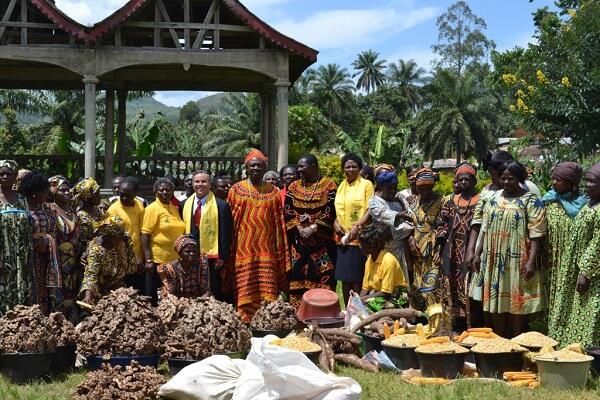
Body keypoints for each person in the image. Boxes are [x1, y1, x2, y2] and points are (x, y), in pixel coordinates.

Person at [473, 161, 545, 338]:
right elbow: (484, 226)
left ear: (519, 179)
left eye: (510, 179)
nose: (506, 182)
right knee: (495, 300)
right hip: (493, 257)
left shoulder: (531, 200)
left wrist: (531, 261)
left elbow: (537, 233)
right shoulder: (492, 197)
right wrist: (477, 253)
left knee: (516, 301)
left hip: (518, 258)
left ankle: (517, 341)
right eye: (503, 178)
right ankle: (500, 340)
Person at [227, 150, 289, 322]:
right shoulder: (236, 190)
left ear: (265, 168)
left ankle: (268, 319)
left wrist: (278, 248)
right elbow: (231, 220)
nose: (255, 168)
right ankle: (245, 319)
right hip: (243, 248)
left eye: (259, 165)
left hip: (267, 249)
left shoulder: (273, 192)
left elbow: (278, 222)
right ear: (246, 168)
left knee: (267, 285)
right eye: (252, 165)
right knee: (245, 283)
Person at [551, 163, 599, 347]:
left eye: (593, 182)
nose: (587, 185)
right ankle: (567, 350)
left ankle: (589, 357)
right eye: (587, 180)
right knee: (571, 310)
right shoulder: (590, 203)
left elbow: (597, 244)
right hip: (574, 266)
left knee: (587, 312)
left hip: (590, 274)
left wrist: (585, 272)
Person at [284, 154, 337, 308]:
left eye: (302, 166)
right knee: (298, 277)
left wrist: (313, 228)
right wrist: (299, 228)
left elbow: (330, 211)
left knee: (323, 277)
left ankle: (322, 313)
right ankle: (298, 316)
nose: (298, 169)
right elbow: (287, 211)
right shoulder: (294, 186)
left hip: (322, 244)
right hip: (299, 243)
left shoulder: (329, 185)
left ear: (313, 166)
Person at [544, 162, 587, 343]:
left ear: (571, 183)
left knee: (570, 299)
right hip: (551, 260)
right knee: (551, 299)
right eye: (553, 178)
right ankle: (550, 338)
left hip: (572, 262)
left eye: (558, 180)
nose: (553, 183)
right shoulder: (548, 201)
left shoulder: (584, 205)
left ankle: (569, 339)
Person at [436, 162, 480, 330]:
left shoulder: (480, 200)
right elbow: (442, 221)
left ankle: (473, 324)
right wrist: (440, 240)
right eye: (460, 180)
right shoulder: (451, 200)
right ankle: (456, 323)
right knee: (452, 283)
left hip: (471, 247)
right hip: (451, 250)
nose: (463, 183)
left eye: (467, 179)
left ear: (474, 181)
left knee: (470, 284)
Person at [181, 171, 232, 302]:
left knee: (212, 288)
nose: (200, 184)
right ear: (192, 184)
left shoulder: (221, 205)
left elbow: (225, 233)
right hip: (191, 254)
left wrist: (222, 257)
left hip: (212, 256)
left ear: (210, 184)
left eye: (204, 181)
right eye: (197, 182)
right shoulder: (185, 204)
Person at [334, 153, 374, 306]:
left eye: (354, 166)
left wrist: (357, 226)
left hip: (359, 238)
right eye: (347, 166)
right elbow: (338, 210)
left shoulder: (366, 185)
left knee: (357, 278)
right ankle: (348, 311)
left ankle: (358, 310)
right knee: (345, 278)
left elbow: (370, 209)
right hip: (343, 239)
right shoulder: (341, 186)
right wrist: (335, 224)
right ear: (343, 169)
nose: (350, 169)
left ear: (359, 168)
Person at [20, 171, 61, 315]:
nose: (47, 195)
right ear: (34, 193)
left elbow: (54, 231)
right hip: (27, 258)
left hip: (46, 259)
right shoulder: (21, 208)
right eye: (44, 192)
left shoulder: (48, 209)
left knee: (44, 293)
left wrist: (47, 240)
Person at [141, 177, 186, 302]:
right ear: (155, 192)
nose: (165, 193)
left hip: (175, 260)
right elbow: (145, 235)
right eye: (161, 190)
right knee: (153, 296)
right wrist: (148, 259)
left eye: (168, 190)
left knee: (171, 295)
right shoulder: (152, 208)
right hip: (157, 260)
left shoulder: (174, 209)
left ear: (172, 192)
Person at [406, 168, 445, 311]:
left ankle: (436, 321)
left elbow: (445, 226)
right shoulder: (412, 202)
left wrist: (440, 249)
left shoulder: (442, 201)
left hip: (434, 251)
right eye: (420, 188)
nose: (424, 191)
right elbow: (408, 223)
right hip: (416, 252)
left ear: (433, 185)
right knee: (416, 287)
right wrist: (410, 238)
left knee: (432, 288)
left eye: (428, 188)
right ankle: (420, 321)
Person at [368, 168, 413, 287]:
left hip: (400, 251)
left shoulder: (399, 200)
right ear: (381, 187)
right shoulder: (374, 202)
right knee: (383, 285)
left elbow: (410, 220)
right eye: (389, 188)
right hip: (383, 252)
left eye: (395, 187)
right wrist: (399, 216)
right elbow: (385, 216)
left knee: (400, 285)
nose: (393, 191)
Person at [79, 216, 137, 304]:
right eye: (119, 236)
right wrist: (88, 297)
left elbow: (129, 268)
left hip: (118, 290)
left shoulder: (122, 242)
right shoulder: (96, 250)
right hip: (99, 291)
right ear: (109, 237)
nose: (123, 237)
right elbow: (91, 275)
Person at [49, 176, 82, 322]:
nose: (67, 193)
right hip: (58, 261)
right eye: (62, 190)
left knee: (73, 293)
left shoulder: (72, 211)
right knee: (59, 295)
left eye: (68, 190)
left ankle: (72, 329)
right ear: (54, 191)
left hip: (74, 261)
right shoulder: (50, 210)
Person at [0, 160, 31, 313]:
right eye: (1, 174)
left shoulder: (22, 199)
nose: (4, 176)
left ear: (15, 176)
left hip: (21, 256)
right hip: (3, 256)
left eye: (8, 174)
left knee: (21, 292)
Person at [107, 176, 145, 292]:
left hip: (139, 259)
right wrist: (134, 257)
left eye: (127, 195)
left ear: (135, 194)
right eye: (121, 194)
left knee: (139, 293)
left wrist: (143, 258)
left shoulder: (140, 205)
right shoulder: (113, 209)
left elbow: (142, 232)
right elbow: (114, 237)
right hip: (122, 259)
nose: (123, 197)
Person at [359, 224, 407, 302]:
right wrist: (357, 301)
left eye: (362, 245)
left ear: (372, 246)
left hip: (394, 297)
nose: (360, 247)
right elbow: (365, 289)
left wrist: (363, 299)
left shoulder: (388, 261)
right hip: (378, 294)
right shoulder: (369, 259)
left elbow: (386, 293)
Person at [157, 235, 210, 299]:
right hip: (174, 299)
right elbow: (170, 293)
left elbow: (205, 290)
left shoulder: (201, 264)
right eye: (187, 251)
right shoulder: (169, 269)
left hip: (197, 299)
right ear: (180, 253)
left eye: (194, 251)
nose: (192, 254)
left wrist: (200, 302)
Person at [72, 177, 104, 246]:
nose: (100, 197)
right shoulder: (81, 216)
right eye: (97, 194)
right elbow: (84, 242)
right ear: (87, 198)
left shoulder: (98, 210)